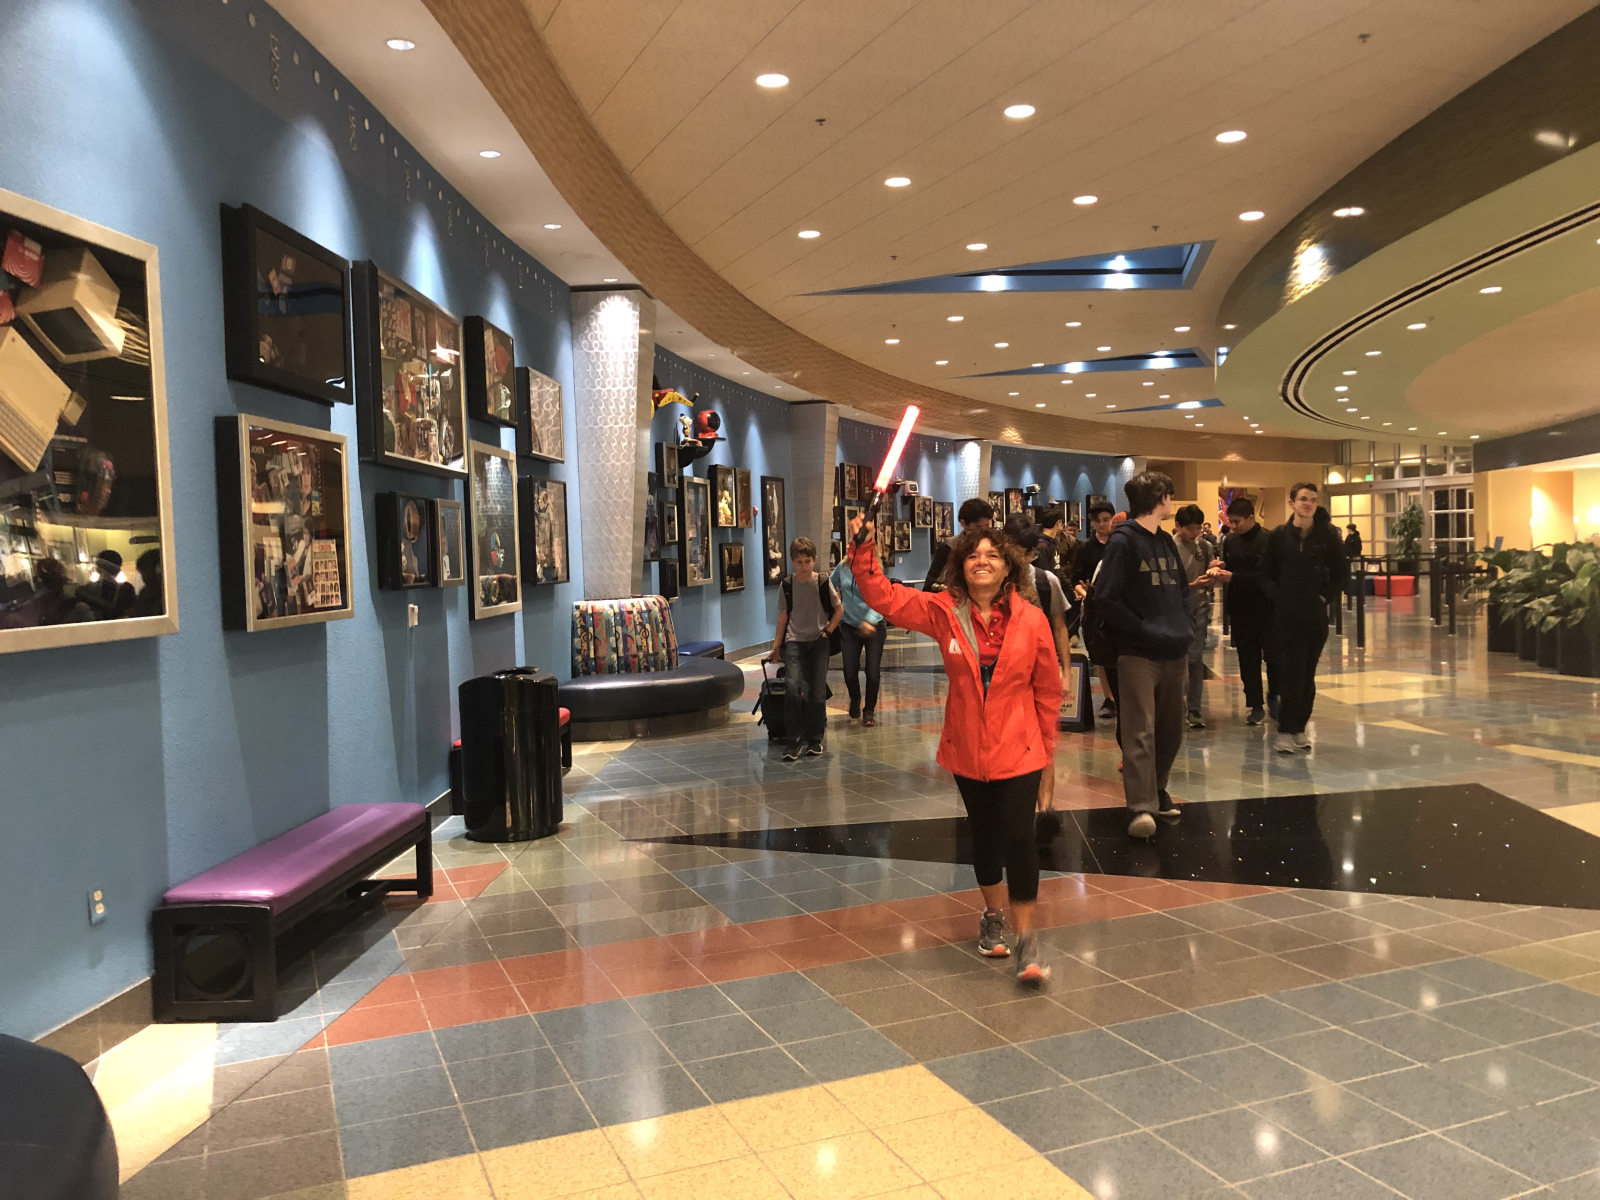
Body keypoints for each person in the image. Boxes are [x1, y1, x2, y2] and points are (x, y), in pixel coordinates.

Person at [849, 513, 1061, 981]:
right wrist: (863, 550)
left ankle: (1027, 939)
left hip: (1020, 747)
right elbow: (885, 597)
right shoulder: (942, 611)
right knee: (983, 835)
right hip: (967, 747)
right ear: (961, 566)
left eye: (992, 555)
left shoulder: (1032, 620)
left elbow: (1048, 691)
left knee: (1019, 837)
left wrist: (1048, 757)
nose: (982, 561)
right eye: (973, 556)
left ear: (1008, 566)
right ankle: (993, 916)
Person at [1091, 472, 1192, 839]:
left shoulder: (1164, 541)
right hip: (1138, 655)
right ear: (1159, 498)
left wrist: (1185, 625)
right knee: (1139, 732)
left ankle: (1158, 790)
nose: (1172, 502)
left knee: (1171, 729)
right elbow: (1105, 597)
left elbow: (1181, 590)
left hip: (1174, 650)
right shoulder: (1123, 542)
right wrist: (1142, 630)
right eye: (1169, 495)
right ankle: (1140, 806)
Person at [1260, 483, 1348, 754]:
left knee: (1308, 673)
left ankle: (1299, 727)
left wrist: (1324, 597)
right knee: (1291, 671)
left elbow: (1341, 573)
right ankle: (1286, 730)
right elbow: (1265, 574)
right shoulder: (1278, 537)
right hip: (1286, 618)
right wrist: (1279, 597)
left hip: (1315, 617)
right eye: (1303, 499)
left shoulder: (1327, 537)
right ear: (1292, 503)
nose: (1308, 503)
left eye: (1313, 499)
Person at [769, 537, 842, 761]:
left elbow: (838, 609)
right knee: (792, 687)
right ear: (793, 562)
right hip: (795, 641)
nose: (803, 566)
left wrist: (828, 631)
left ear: (814, 560)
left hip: (819, 641)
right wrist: (776, 646)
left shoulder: (822, 581)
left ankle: (815, 738)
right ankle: (793, 740)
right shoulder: (787, 585)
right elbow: (783, 617)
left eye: (807, 561)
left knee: (817, 691)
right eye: (799, 562)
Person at [1211, 497, 1278, 726]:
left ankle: (1275, 695)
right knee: (1247, 659)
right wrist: (1222, 567)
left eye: (1237, 522)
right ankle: (1255, 703)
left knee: (1273, 657)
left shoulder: (1268, 540)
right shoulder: (1230, 540)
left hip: (1267, 608)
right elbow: (1231, 565)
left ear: (1251, 518)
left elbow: (1269, 576)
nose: (1232, 526)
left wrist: (1235, 577)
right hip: (1240, 609)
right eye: (1230, 522)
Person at [1005, 517, 1072, 680]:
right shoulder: (992, 583)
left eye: (1026, 554)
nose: (1020, 561)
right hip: (1001, 669)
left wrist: (1067, 672)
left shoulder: (1046, 581)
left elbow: (1059, 627)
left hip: (1039, 667)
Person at [1172, 505, 1220, 730]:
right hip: (1174, 610)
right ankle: (1175, 705)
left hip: (1199, 608)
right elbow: (1169, 585)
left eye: (1198, 528)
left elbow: (1210, 576)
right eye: (1190, 528)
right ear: (1178, 526)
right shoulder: (1169, 547)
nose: (1195, 533)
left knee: (1195, 659)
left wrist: (1213, 574)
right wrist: (1193, 585)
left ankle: (1194, 708)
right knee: (1176, 660)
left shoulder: (1205, 546)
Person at [830, 547, 886, 727]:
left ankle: (869, 711)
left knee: (872, 671)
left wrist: (869, 621)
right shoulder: (843, 567)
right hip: (848, 625)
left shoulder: (875, 570)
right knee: (849, 670)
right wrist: (836, 606)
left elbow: (882, 599)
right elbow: (829, 586)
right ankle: (855, 698)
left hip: (874, 625)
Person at [1072, 499, 1118, 716]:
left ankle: (1122, 695)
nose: (1102, 524)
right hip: (1094, 608)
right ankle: (1109, 698)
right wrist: (1086, 594)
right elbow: (1076, 579)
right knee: (1100, 654)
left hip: (1118, 606)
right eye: (1098, 521)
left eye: (1106, 520)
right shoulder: (1086, 548)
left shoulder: (1120, 543)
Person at [922, 497, 993, 592]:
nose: (984, 530)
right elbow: (930, 586)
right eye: (979, 527)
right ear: (963, 523)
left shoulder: (995, 545)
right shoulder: (949, 547)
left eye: (987, 526)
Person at [1035, 504, 1065, 576]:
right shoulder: (1042, 546)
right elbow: (1043, 574)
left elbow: (1057, 569)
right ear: (1059, 522)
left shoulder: (1053, 543)